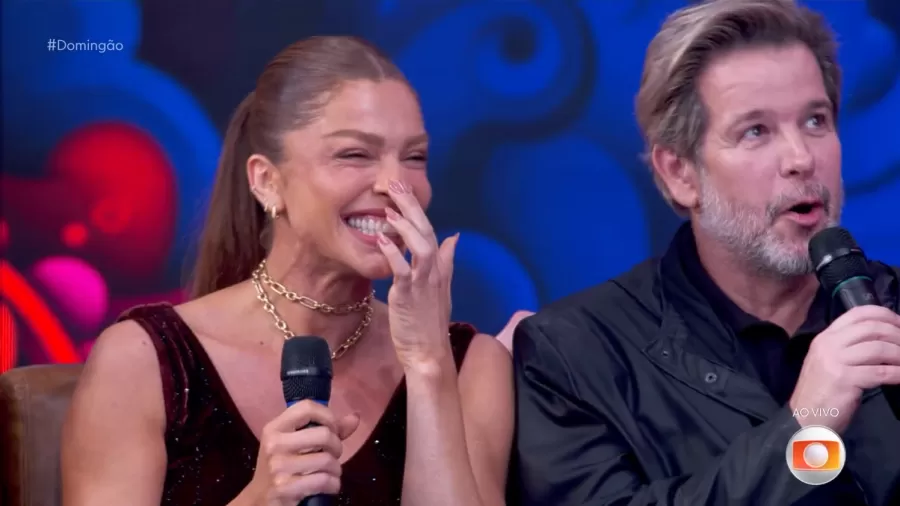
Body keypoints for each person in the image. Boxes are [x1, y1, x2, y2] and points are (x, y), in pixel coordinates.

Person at [61, 35, 514, 506]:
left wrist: (426, 365)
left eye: (414, 157)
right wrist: (259, 500)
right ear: (267, 181)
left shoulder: (469, 366)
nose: (395, 184)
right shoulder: (142, 360)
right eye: (354, 154)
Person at [511, 1, 900, 505]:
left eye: (815, 120)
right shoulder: (575, 356)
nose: (801, 158)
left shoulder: (888, 306)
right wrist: (808, 428)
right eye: (756, 131)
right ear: (681, 173)